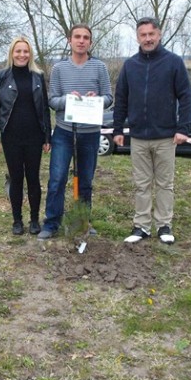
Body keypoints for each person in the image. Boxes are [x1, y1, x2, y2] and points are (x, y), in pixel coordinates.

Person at [113, 17, 191, 244]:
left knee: (165, 184)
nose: (147, 39)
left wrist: (183, 128)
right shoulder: (130, 65)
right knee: (141, 184)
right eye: (143, 35)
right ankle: (141, 226)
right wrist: (118, 129)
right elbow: (121, 98)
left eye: (151, 34)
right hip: (138, 137)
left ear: (159, 35)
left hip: (166, 137)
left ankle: (164, 225)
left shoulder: (173, 62)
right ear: (137, 37)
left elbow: (186, 97)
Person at [37, 24, 113, 240]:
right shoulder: (59, 68)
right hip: (64, 132)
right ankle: (52, 223)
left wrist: (96, 100)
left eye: (85, 37)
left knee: (86, 181)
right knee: (57, 179)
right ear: (69, 40)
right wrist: (69, 100)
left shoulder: (100, 67)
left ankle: (82, 222)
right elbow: (52, 100)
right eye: (77, 37)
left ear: (90, 42)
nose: (81, 41)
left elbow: (109, 98)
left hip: (90, 134)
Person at [0, 37, 52, 235]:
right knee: (16, 179)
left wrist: (47, 137)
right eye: (18, 51)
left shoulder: (38, 76)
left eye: (25, 51)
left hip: (34, 136)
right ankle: (17, 221)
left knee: (33, 178)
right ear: (12, 53)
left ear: (30, 54)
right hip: (11, 137)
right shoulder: (1, 77)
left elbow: (44, 109)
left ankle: (34, 220)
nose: (22, 55)